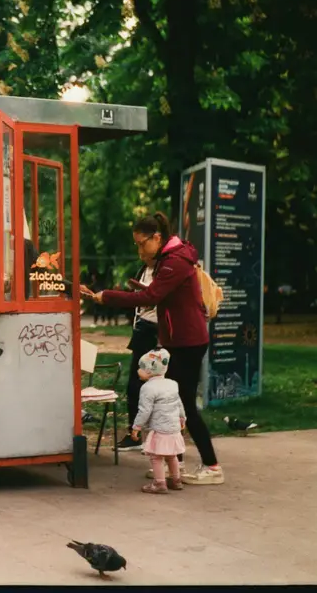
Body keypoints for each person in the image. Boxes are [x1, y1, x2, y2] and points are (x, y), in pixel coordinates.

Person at [80, 211, 224, 486]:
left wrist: (107, 296)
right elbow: (157, 295)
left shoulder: (175, 261)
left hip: (188, 341)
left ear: (157, 237)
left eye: (141, 243)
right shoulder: (169, 259)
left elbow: (152, 296)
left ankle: (212, 466)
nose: (139, 250)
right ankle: (175, 464)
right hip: (177, 339)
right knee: (174, 403)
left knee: (184, 405)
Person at [115, 256, 159, 452]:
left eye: (143, 245)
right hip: (142, 327)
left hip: (156, 330)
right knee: (135, 384)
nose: (141, 252)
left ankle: (164, 435)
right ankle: (135, 433)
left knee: (158, 385)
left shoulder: (165, 270)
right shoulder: (144, 269)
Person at [131, 347, 187, 494]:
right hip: (173, 427)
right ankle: (176, 480)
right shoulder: (172, 384)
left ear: (149, 371)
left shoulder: (147, 388)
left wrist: (136, 427)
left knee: (156, 457)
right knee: (172, 455)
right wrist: (182, 418)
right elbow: (179, 403)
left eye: (141, 368)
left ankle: (159, 483)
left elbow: (145, 410)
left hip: (159, 428)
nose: (138, 370)